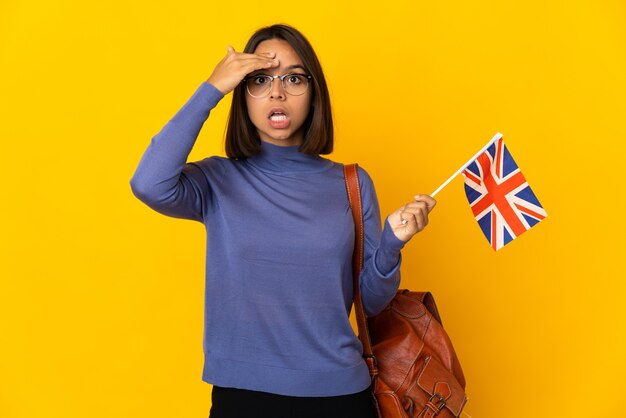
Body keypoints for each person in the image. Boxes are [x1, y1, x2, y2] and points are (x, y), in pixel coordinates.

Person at [130, 24, 436, 418]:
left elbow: (371, 302)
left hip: (339, 397)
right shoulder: (217, 180)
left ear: (314, 93)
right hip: (242, 398)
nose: (277, 92)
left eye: (293, 78)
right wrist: (212, 88)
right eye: (260, 79)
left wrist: (393, 243)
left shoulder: (352, 184)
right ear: (242, 94)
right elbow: (148, 183)